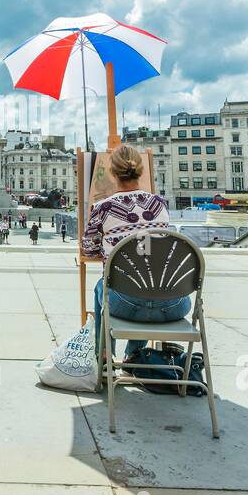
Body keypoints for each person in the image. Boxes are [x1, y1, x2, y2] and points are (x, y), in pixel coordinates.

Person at [81, 145, 186, 358]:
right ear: (142, 170)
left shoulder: (103, 208)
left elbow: (89, 250)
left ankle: (103, 355)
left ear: (112, 173)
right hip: (173, 304)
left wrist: (111, 248)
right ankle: (135, 356)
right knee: (148, 281)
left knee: (102, 286)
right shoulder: (160, 204)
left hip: (125, 304)